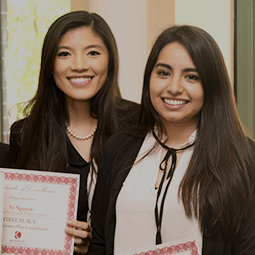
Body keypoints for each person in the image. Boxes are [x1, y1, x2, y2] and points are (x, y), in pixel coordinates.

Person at [88, 25, 255, 255]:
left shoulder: (243, 156)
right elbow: (99, 243)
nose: (174, 88)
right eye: (164, 73)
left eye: (191, 77)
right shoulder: (118, 147)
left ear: (211, 85)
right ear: (149, 78)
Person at [9, 11, 139, 254]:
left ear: (110, 61)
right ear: (49, 64)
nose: (79, 65)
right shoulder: (26, 134)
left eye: (93, 53)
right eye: (64, 54)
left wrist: (96, 244)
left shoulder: (138, 125)